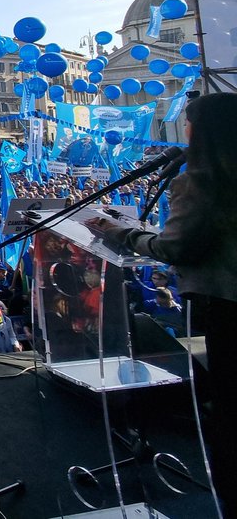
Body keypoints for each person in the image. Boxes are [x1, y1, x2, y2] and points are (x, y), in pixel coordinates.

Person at [87, 92, 237, 516]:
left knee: (229, 413)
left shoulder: (204, 181)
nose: (183, 131)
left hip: (227, 307)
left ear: (203, 132)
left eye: (189, 124)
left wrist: (121, 233)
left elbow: (178, 248)